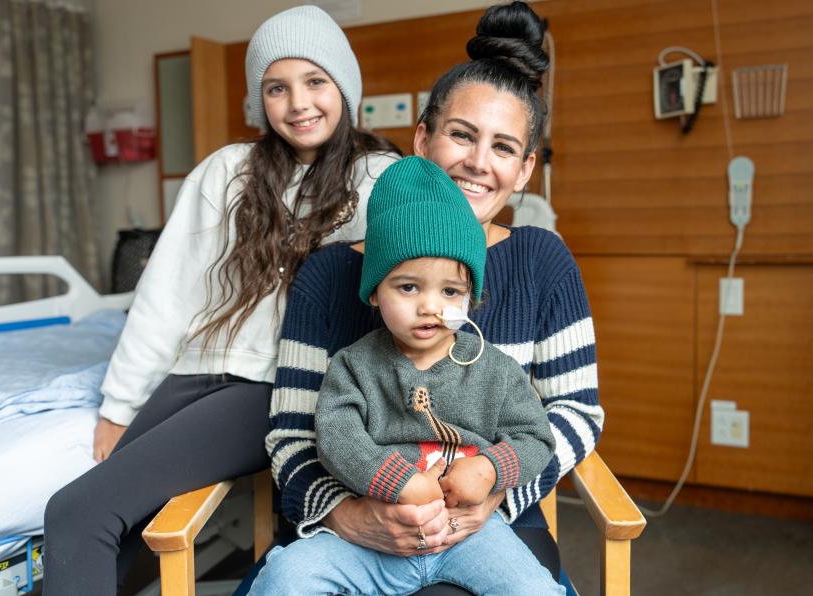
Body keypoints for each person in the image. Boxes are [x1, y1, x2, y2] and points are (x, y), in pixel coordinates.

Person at [42, 6, 399, 594]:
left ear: (345, 87)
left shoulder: (381, 180)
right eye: (277, 88)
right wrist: (119, 404)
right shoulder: (225, 172)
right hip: (191, 374)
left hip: (274, 388)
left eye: (316, 81)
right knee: (116, 534)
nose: (298, 103)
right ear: (260, 100)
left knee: (76, 512)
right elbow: (165, 294)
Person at [263, 2, 602, 593]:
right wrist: (354, 516)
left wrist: (493, 491)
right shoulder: (327, 275)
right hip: (349, 531)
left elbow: (573, 413)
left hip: (491, 524)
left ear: (524, 171)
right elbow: (294, 433)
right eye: (461, 135)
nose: (476, 163)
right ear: (423, 139)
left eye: (503, 149)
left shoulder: (543, 261)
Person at [251, 156, 562, 594]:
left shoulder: (493, 369)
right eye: (408, 287)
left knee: (536, 590)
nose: (431, 306)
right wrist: (400, 482)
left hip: (470, 538)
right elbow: (336, 437)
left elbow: (536, 437)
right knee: (285, 577)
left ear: (471, 296)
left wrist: (490, 471)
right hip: (367, 541)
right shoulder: (353, 366)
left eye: (450, 291)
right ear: (375, 292)